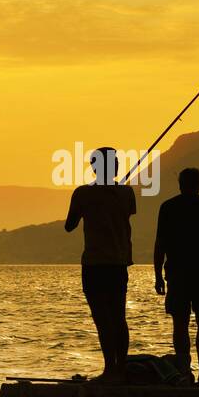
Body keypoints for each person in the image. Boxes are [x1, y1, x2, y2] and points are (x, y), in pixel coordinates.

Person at [65, 147, 136, 381]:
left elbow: (70, 225)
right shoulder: (126, 193)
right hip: (118, 263)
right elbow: (126, 213)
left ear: (94, 168)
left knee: (102, 318)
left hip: (95, 264)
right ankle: (122, 369)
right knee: (118, 316)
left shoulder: (83, 193)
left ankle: (109, 369)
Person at [154, 167, 199, 388]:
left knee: (180, 323)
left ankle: (185, 372)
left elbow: (160, 245)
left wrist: (158, 276)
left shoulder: (168, 208)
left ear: (180, 184)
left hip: (177, 274)